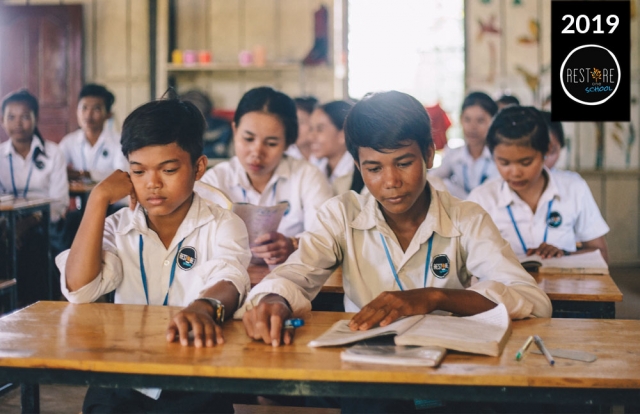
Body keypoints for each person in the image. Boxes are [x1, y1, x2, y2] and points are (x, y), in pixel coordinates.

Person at [239, 91, 552, 413]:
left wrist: (435, 297)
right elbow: (296, 273)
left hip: (446, 373)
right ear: (358, 166)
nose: (391, 181)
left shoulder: (465, 218)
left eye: (404, 163)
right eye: (373, 168)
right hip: (367, 375)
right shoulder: (342, 215)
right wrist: (274, 300)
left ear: (429, 155)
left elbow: (531, 298)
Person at [55, 93, 251, 413]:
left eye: (169, 170)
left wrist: (204, 307)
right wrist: (98, 199)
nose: (152, 184)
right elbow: (80, 289)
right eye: (139, 171)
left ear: (199, 167)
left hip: (197, 377)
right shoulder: (118, 226)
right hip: (123, 376)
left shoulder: (222, 224)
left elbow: (230, 277)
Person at [200, 86, 333, 266]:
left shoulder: (307, 177)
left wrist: (294, 245)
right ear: (234, 130)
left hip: (292, 282)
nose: (256, 152)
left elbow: (327, 239)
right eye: (248, 139)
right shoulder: (215, 181)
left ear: (288, 143)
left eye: (271, 143)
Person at [467, 106, 609, 262]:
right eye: (504, 163)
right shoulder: (482, 198)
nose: (515, 173)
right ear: (492, 154)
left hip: (564, 285)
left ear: (546, 150)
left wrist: (563, 254)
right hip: (504, 286)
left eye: (526, 162)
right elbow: (465, 259)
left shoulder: (573, 188)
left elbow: (601, 254)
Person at [0, 89, 69, 305]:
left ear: (36, 119)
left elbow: (59, 203)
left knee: (31, 246)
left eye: (25, 116)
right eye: (11, 117)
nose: (18, 123)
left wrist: (28, 223)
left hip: (43, 224)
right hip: (6, 223)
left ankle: (34, 305)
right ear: (2, 121)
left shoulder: (53, 152)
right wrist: (10, 226)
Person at [431, 91, 500, 199]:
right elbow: (433, 178)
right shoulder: (454, 154)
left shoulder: (499, 157)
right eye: (467, 120)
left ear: (494, 122)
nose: (473, 127)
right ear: (460, 120)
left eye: (480, 121)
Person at [58, 83, 128, 184]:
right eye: (84, 108)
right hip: (82, 198)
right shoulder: (69, 141)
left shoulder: (119, 141)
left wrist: (85, 174)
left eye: (96, 109)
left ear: (108, 114)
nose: (88, 115)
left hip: (113, 199)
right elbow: (55, 167)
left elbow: (122, 174)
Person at [310, 100, 356, 195]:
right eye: (311, 129)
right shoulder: (316, 169)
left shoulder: (358, 174)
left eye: (320, 129)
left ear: (342, 135)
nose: (311, 137)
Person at [180, 89, 233, 159]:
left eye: (200, 102)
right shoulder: (179, 129)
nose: (198, 106)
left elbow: (221, 149)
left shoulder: (222, 126)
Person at [285, 96, 318, 161]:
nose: (295, 127)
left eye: (301, 122)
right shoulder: (285, 155)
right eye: (292, 122)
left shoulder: (326, 154)